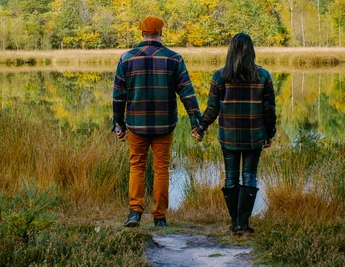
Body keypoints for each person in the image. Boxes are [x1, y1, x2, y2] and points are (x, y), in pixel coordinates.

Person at [113, 15, 201, 228]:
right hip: (164, 124)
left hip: (136, 124)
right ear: (160, 33)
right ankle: (159, 217)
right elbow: (187, 93)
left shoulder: (127, 59)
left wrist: (118, 123)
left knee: (137, 166)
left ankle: (134, 213)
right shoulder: (174, 59)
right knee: (161, 168)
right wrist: (196, 121)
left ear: (142, 33)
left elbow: (118, 96)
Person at [193, 33, 276, 234]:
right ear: (251, 51)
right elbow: (269, 109)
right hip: (254, 135)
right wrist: (269, 133)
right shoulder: (263, 75)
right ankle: (243, 224)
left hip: (228, 136)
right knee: (249, 176)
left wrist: (200, 128)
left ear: (231, 51)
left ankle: (234, 223)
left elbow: (212, 109)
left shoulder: (220, 76)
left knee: (231, 177)